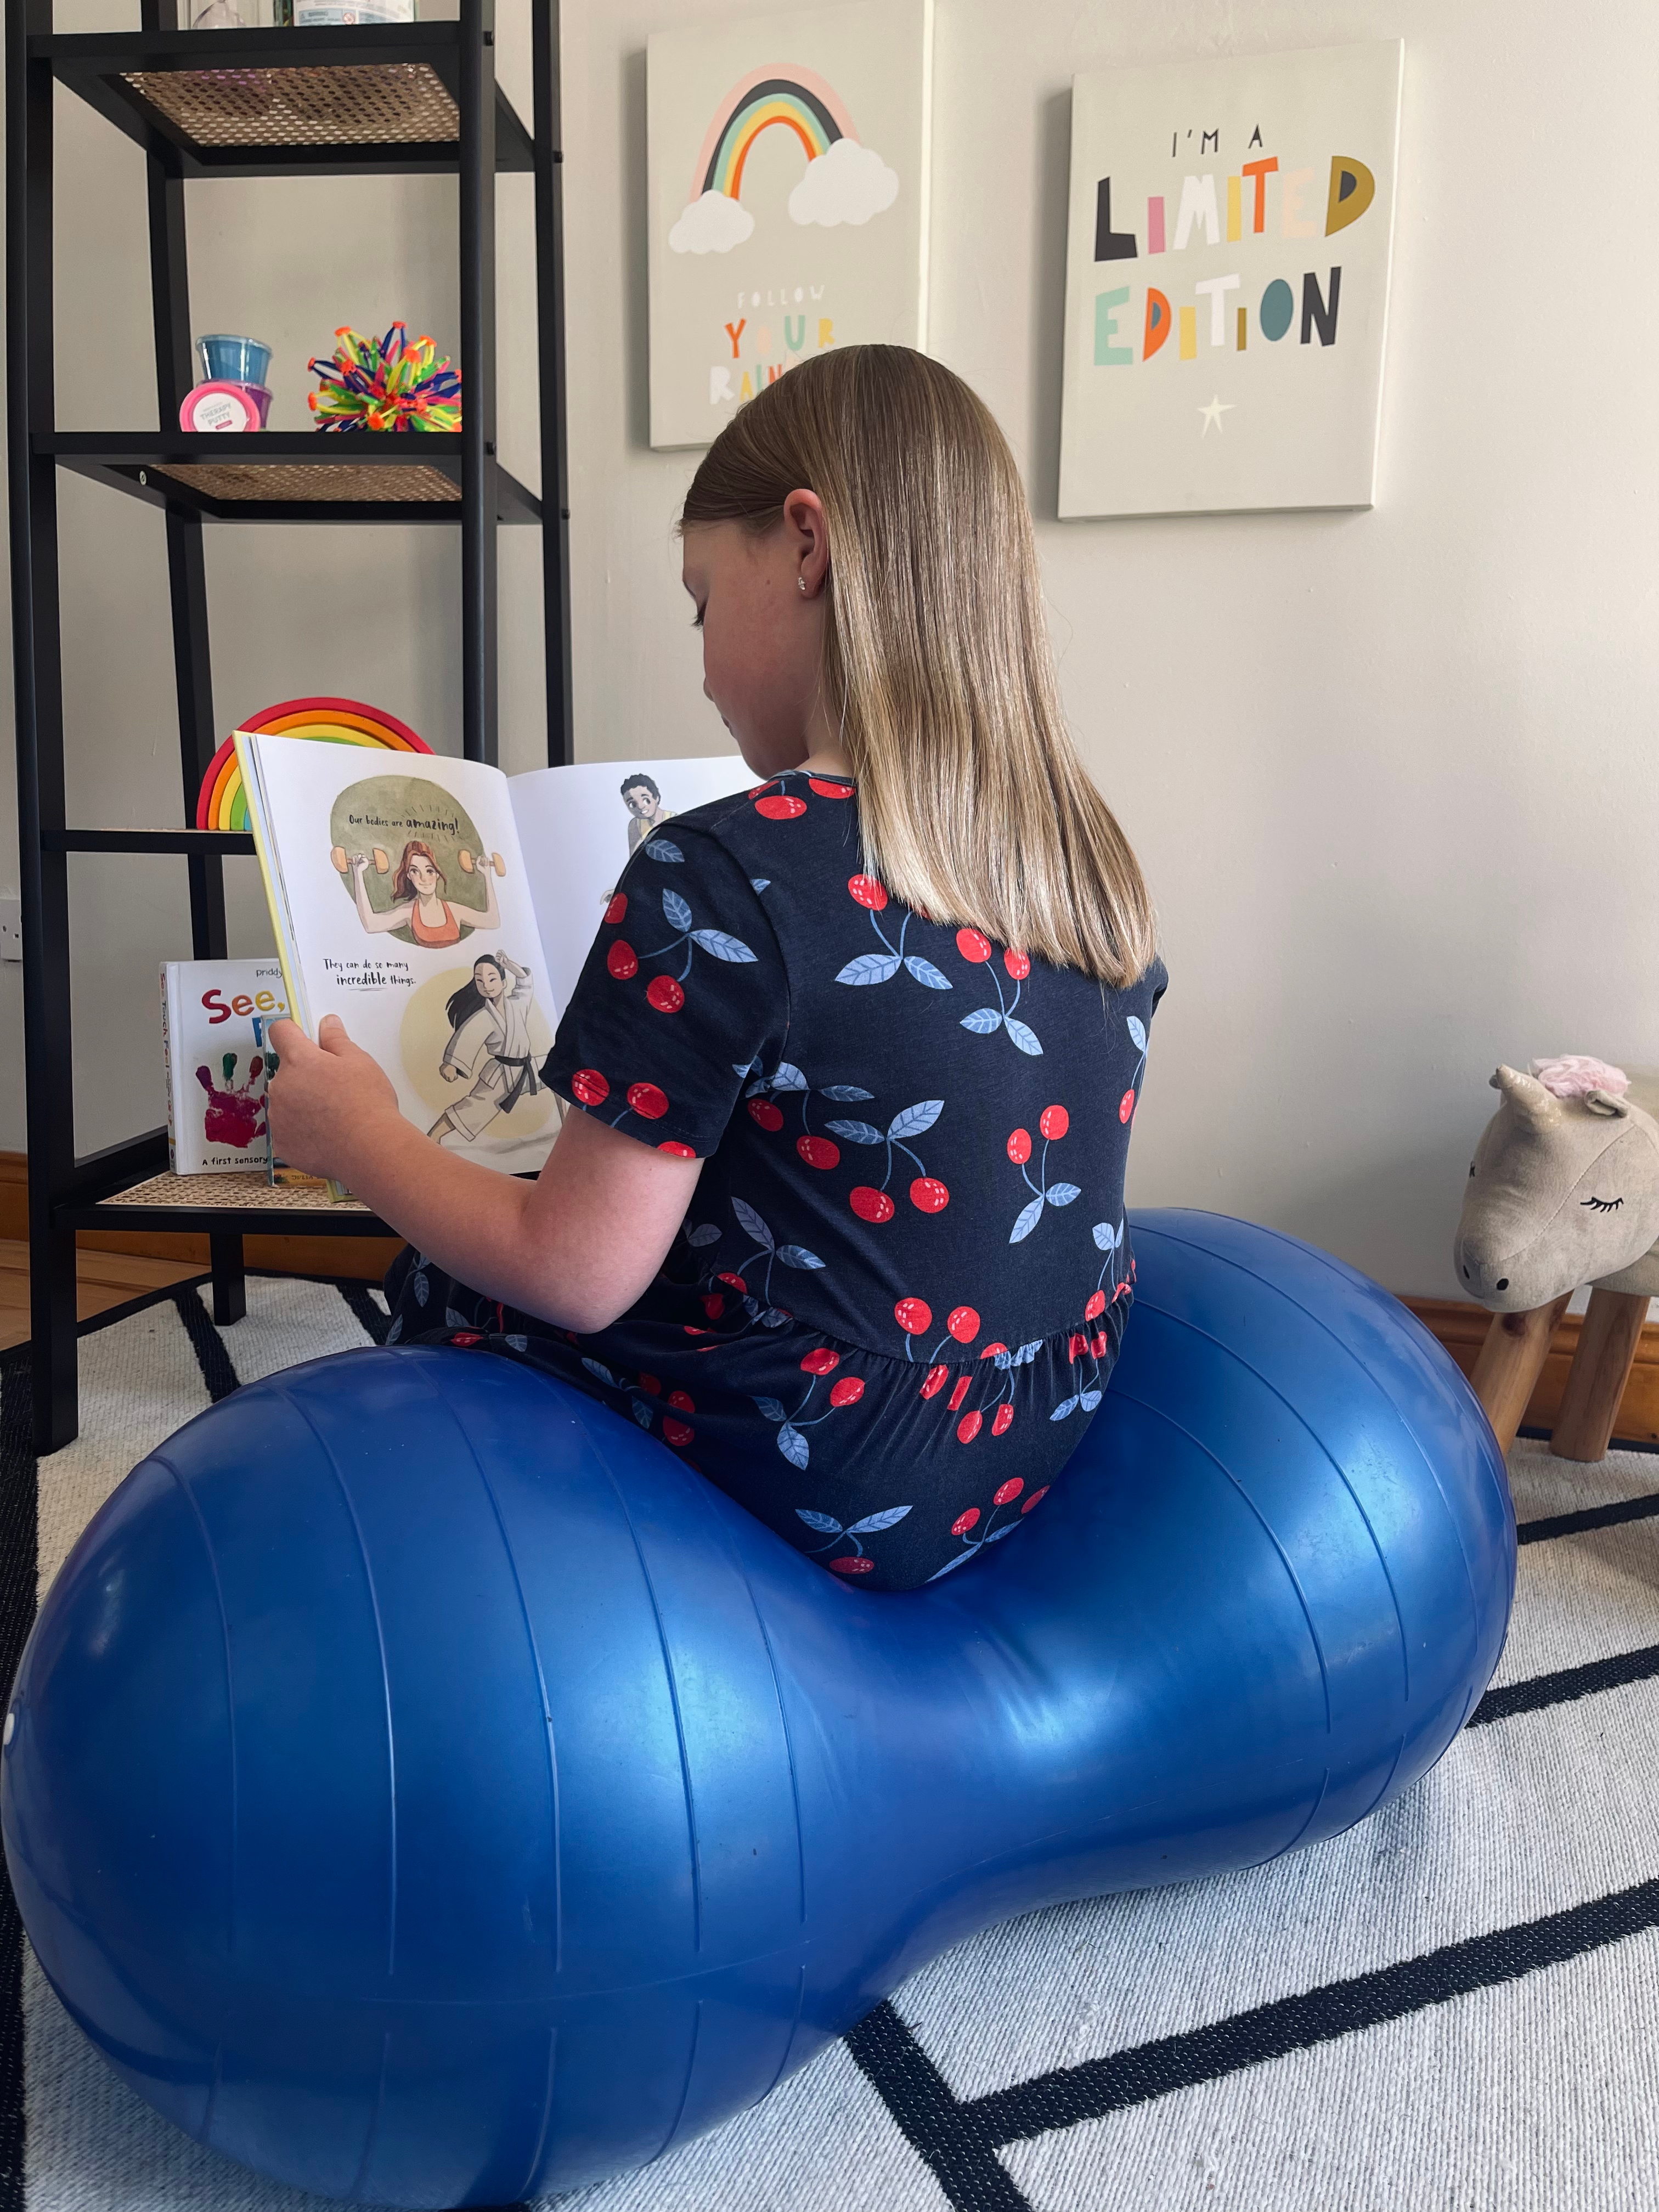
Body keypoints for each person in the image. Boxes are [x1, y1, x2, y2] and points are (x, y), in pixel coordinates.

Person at [269, 345, 1166, 1593]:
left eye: (700, 600)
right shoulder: (1082, 858)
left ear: (806, 546)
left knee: (445, 1278)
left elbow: (575, 1276)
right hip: (1030, 1431)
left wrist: (356, 1132)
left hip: (838, 1455)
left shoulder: (723, 871)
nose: (697, 664)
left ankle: (464, 1586)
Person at [427, 951, 543, 1145]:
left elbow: (525, 982)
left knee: (556, 1068)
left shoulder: (517, 1005)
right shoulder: (483, 1017)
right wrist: (451, 1064)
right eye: (480, 981)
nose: (486, 986)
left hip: (527, 1068)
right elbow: (465, 1038)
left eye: (492, 979)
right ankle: (434, 1135)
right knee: (473, 1107)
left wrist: (508, 964)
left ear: (504, 982)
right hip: (500, 1075)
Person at [347, 837, 499, 949]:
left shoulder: (454, 910)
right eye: (415, 871)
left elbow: (493, 921)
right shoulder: (408, 912)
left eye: (430, 871)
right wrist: (358, 874)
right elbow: (371, 925)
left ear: (438, 874)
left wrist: (487, 875)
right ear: (409, 877)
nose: (424, 878)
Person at [620, 772, 673, 855]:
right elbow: (634, 857)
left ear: (656, 797)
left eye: (646, 800)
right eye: (633, 804)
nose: (641, 807)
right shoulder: (635, 824)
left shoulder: (673, 819)